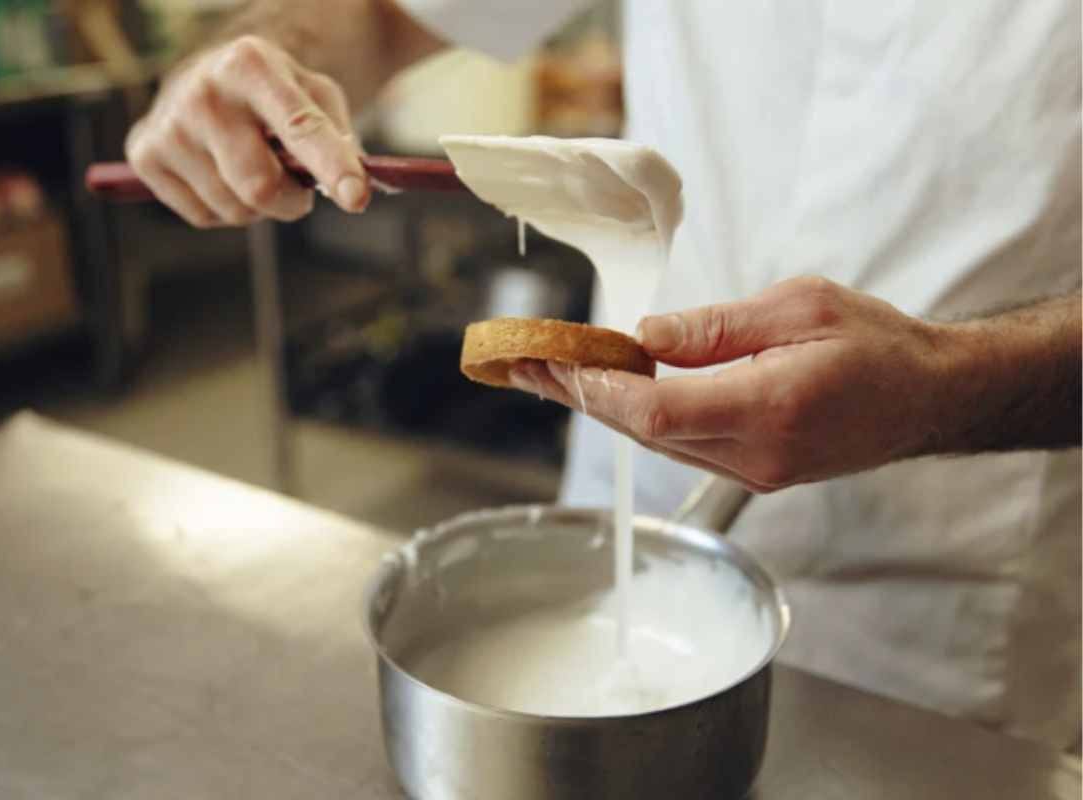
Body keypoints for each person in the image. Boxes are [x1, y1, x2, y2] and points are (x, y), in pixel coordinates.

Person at [124, 1, 1082, 747]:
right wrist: (248, 62)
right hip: (640, 484)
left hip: (957, 598)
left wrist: (942, 383)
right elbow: (376, 15)